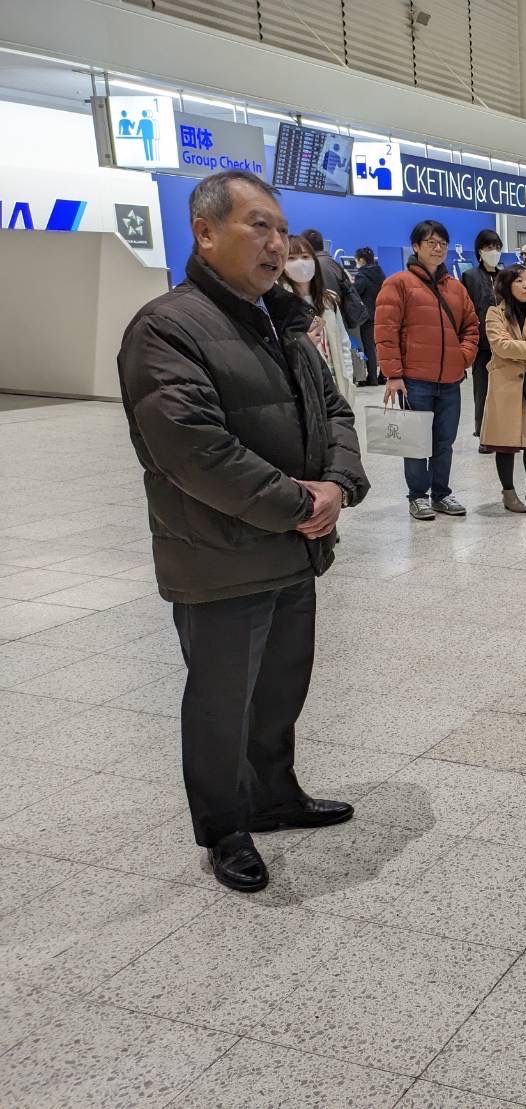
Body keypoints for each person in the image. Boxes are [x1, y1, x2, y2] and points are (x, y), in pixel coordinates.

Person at [116, 170, 369, 892]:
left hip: (293, 547)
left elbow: (334, 410)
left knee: (281, 685)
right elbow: (193, 450)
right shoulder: (166, 328)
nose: (277, 243)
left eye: (281, 229)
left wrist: (337, 484)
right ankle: (225, 827)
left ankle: (273, 793)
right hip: (220, 558)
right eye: (258, 225)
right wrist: (300, 503)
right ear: (204, 232)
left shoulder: (282, 321)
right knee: (221, 700)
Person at [376, 219, 481, 521]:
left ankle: (441, 493)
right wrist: (394, 374)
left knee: (444, 442)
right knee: (415, 441)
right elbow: (385, 331)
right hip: (414, 381)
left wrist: (462, 358)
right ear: (416, 246)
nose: (438, 248)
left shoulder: (456, 288)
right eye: (431, 242)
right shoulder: (398, 283)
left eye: (443, 243)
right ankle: (417, 496)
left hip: (450, 380)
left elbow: (471, 327)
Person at [480, 265, 526, 513]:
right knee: (505, 444)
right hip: (506, 386)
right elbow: (501, 346)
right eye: (519, 281)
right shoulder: (495, 313)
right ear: (506, 285)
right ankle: (508, 493)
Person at [280, 235, 355, 398]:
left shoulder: (328, 300)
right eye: (291, 258)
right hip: (303, 387)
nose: (300, 263)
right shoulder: (280, 303)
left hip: (334, 384)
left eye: (305, 256)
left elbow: (343, 343)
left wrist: (348, 380)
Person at [460, 229, 503, 452]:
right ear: (480, 250)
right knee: (483, 391)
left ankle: (505, 434)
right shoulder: (470, 277)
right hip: (482, 345)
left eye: (497, 247)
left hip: (506, 344)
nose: (493, 251)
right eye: (489, 247)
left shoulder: (506, 276)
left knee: (505, 391)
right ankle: (484, 434)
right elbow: (464, 311)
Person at [352, 247, 385, 386]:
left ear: (361, 260)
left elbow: (355, 293)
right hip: (381, 314)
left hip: (368, 316)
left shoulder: (362, 275)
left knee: (368, 346)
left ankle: (372, 378)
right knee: (381, 346)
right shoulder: (380, 273)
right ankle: (383, 376)